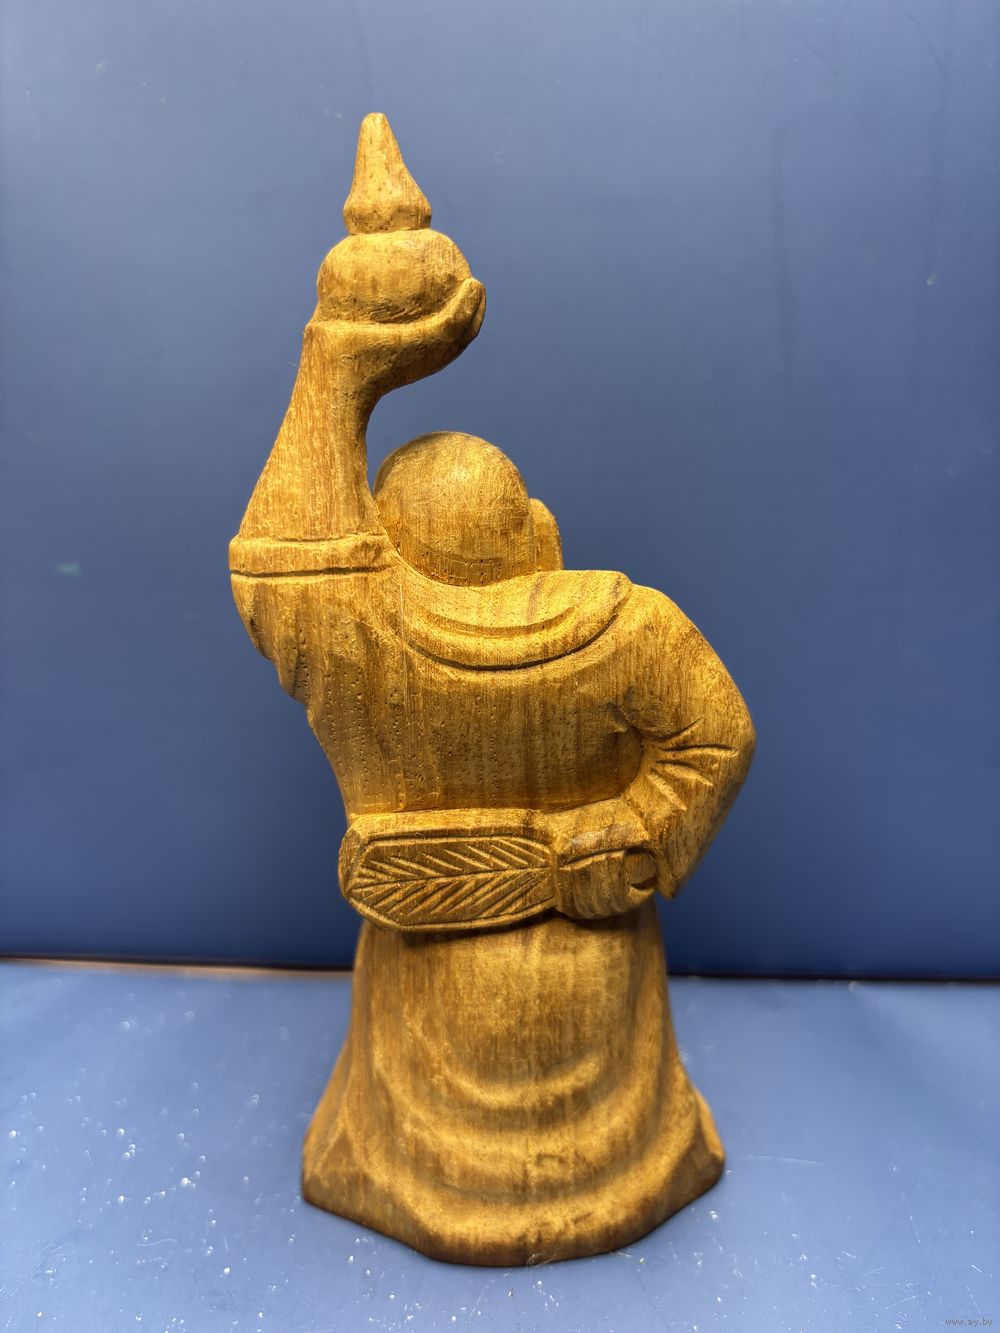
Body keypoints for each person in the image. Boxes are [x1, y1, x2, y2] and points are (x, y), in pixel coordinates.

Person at [230, 115, 754, 1265]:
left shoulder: (358, 645)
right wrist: (633, 830)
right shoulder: (629, 626)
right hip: (584, 958)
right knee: (615, 1134)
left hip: (448, 976)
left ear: (387, 547)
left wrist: (338, 364)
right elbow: (718, 741)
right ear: (535, 532)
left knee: (398, 1134)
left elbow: (283, 564)